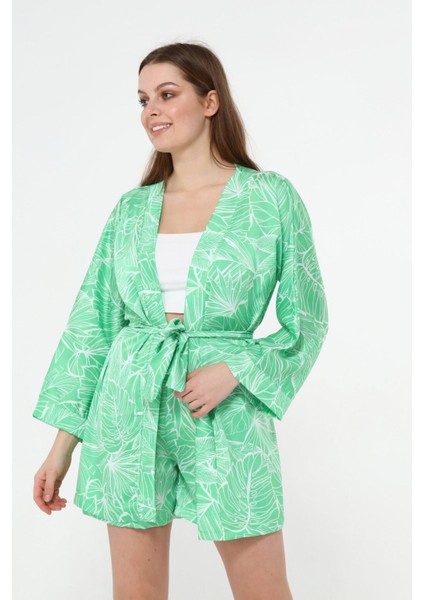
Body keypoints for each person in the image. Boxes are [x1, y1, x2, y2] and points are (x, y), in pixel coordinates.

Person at [33, 41, 329, 600]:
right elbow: (92, 327)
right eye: (143, 99)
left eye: (167, 94)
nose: (153, 111)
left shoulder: (269, 199)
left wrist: (236, 368)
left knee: (264, 590)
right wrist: (61, 448)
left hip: (226, 406)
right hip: (129, 404)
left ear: (210, 101)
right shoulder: (131, 209)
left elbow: (307, 320)